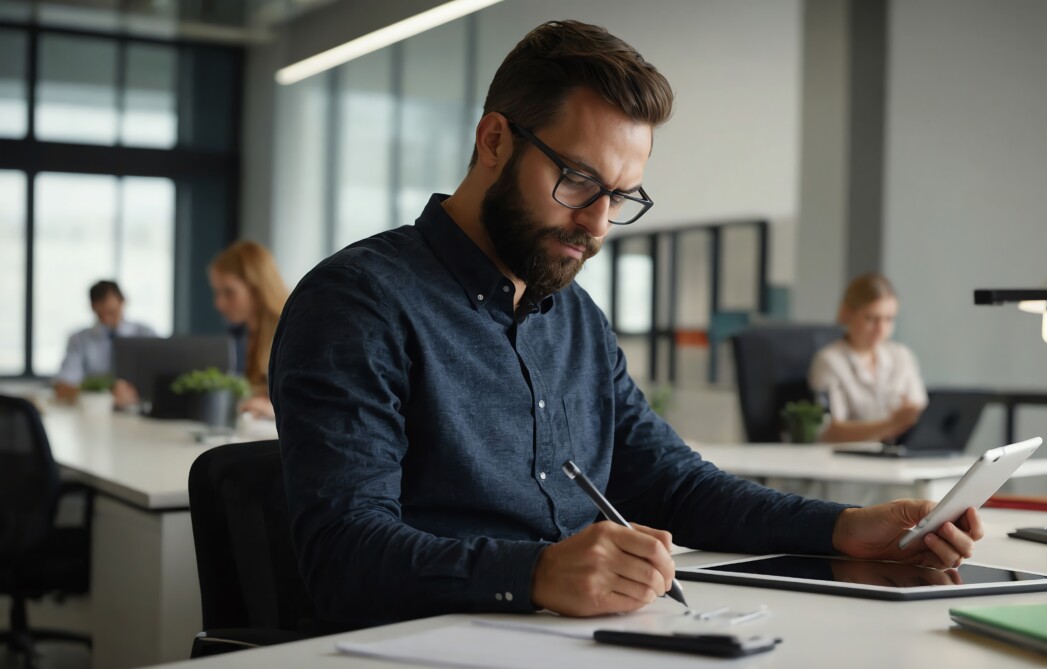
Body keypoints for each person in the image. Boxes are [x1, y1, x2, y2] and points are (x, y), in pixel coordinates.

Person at [271, 20, 981, 629]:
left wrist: (842, 529)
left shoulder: (575, 317)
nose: (598, 223)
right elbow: (343, 553)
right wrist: (537, 573)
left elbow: (674, 485)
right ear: (494, 141)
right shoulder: (357, 303)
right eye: (578, 181)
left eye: (620, 195)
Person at [809, 273, 928, 443]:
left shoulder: (902, 356)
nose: (881, 329)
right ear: (847, 314)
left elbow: (920, 413)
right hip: (849, 461)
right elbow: (829, 432)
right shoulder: (829, 361)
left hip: (899, 457)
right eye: (872, 319)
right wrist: (891, 424)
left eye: (889, 319)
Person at [208, 241, 288, 420]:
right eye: (217, 292)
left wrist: (271, 408)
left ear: (257, 288)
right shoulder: (238, 336)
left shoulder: (291, 333)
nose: (218, 304)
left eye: (229, 292)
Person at [54, 280, 155, 404]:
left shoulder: (146, 334)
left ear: (123, 302)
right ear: (92, 307)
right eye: (100, 315)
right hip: (96, 413)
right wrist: (105, 393)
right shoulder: (79, 340)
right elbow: (63, 387)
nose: (106, 320)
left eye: (112, 312)